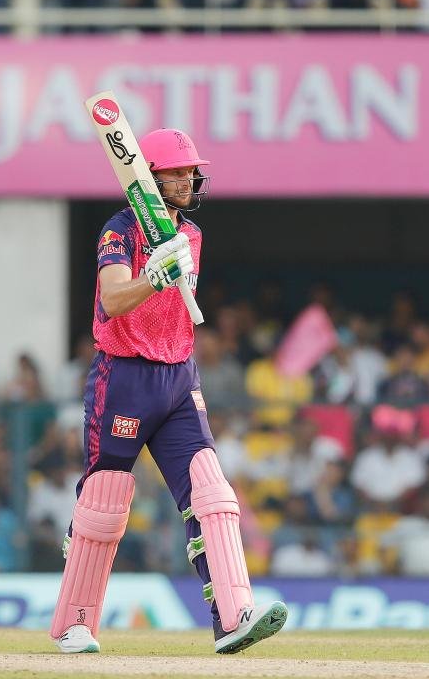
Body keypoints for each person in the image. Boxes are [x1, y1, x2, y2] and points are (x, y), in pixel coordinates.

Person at [49, 128, 286, 656]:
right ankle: (75, 623)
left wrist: (168, 271)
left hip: (179, 375)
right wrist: (153, 277)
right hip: (124, 375)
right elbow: (113, 299)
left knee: (212, 494)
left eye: (191, 173)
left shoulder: (192, 235)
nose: (188, 180)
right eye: (177, 173)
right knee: (105, 501)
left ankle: (233, 618)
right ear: (150, 179)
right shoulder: (119, 230)